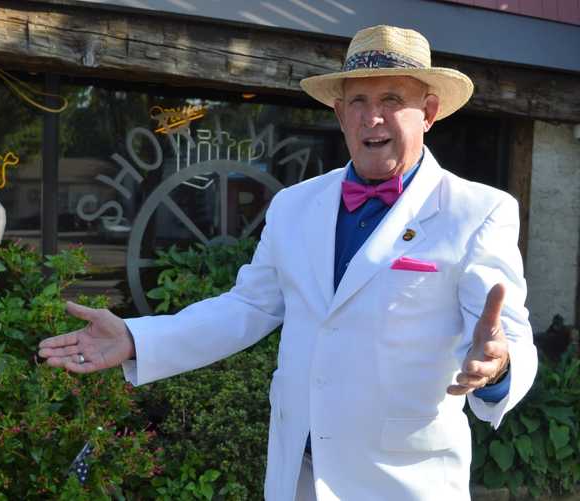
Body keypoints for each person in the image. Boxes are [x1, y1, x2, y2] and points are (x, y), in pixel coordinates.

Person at [38, 25, 537, 500]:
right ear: (340, 114)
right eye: (358, 101)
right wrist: (135, 337)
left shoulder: (477, 211)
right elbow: (246, 308)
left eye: (391, 99)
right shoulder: (295, 205)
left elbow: (504, 335)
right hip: (296, 474)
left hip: (402, 480)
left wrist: (499, 368)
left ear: (428, 112)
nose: (373, 117)